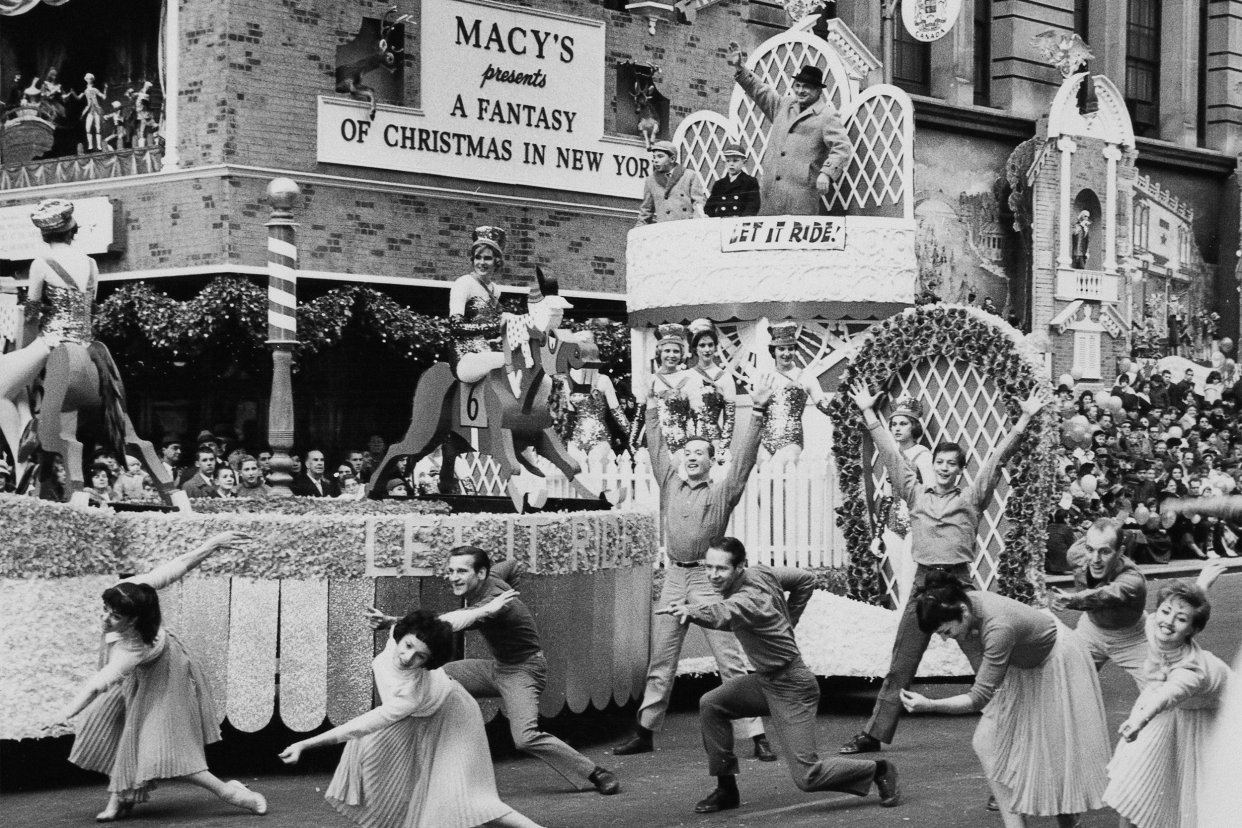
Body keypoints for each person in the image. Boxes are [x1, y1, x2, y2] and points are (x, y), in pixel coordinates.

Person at [841, 380, 1051, 755]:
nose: (945, 469)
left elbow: (997, 460)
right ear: (932, 465)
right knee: (901, 661)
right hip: (924, 583)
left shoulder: (972, 497)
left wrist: (1024, 421)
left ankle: (1012, 730)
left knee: (985, 660)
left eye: (953, 465)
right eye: (940, 463)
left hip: (959, 584)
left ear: (960, 470)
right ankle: (873, 734)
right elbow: (890, 454)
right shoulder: (915, 491)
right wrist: (870, 414)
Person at [659, 536, 900, 813]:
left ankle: (879, 770)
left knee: (808, 776)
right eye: (709, 567)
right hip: (766, 680)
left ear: (740, 567)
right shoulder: (761, 572)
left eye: (721, 569)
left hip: (792, 687)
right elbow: (804, 579)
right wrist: (789, 619)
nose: (713, 575)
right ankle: (726, 790)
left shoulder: (749, 598)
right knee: (711, 704)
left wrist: (690, 611)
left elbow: (724, 612)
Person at [48, 531, 266, 821]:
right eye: (105, 611)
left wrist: (65, 712)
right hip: (137, 676)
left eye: (114, 616)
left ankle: (234, 794)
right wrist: (212, 543)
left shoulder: (132, 649)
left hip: (167, 676)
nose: (105, 619)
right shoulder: (132, 591)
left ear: (134, 619)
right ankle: (120, 796)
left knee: (167, 751)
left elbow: (96, 685)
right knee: (112, 725)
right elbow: (181, 563)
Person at [367, 547, 620, 796]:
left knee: (525, 738)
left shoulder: (495, 606)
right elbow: (513, 564)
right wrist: (513, 590)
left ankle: (596, 772)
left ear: (480, 574)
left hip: (525, 671)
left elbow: (443, 624)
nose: (454, 577)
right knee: (437, 679)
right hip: (498, 668)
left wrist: (392, 621)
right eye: (451, 570)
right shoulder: (495, 579)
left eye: (462, 571)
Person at [615, 380, 776, 761]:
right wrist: (651, 406)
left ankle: (755, 735)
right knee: (662, 658)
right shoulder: (669, 481)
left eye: (699, 452)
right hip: (674, 578)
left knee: (729, 659)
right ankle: (645, 731)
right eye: (686, 451)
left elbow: (743, 464)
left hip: (708, 581)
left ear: (710, 460)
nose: (690, 456)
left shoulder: (721, 492)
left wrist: (757, 413)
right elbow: (656, 447)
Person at [279, 610, 546, 828]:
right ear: (401, 636)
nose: (408, 658)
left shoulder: (411, 694)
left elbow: (363, 724)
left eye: (421, 657)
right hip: (420, 717)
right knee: (364, 751)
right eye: (408, 646)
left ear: (429, 661)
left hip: (454, 716)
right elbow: (444, 621)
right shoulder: (396, 637)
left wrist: (305, 744)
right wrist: (389, 621)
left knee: (472, 801)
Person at [900, 571, 1111, 828]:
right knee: (986, 741)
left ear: (963, 613)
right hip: (1023, 663)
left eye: (945, 631)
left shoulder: (998, 627)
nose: (945, 638)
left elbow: (977, 698)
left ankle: (1067, 819)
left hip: (1058, 660)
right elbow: (984, 676)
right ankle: (1015, 825)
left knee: (1052, 747)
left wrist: (931, 705)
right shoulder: (965, 605)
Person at [1103, 577, 1231, 828]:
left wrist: (1140, 719)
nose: (1168, 622)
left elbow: (1167, 695)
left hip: (1215, 712)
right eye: (1165, 611)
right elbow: (1181, 609)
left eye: (1180, 620)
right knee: (1134, 774)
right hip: (1172, 707)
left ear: (1192, 631)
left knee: (1196, 790)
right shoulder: (1153, 623)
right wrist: (1202, 582)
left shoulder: (1193, 672)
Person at [726, 43, 849, 215]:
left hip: (801, 197)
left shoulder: (827, 116)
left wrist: (826, 173)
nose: (800, 90)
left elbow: (842, 147)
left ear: (818, 91)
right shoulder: (784, 106)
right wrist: (740, 68)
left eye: (806, 87)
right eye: (798, 85)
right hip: (770, 195)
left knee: (798, 241)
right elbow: (760, 91)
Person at [761, 322, 830, 468]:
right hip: (765, 440)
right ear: (774, 351)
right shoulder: (765, 376)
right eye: (781, 349)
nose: (786, 353)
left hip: (791, 440)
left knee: (780, 473)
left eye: (790, 349)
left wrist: (844, 405)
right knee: (762, 482)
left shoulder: (805, 376)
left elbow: (824, 405)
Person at [559, 329, 629, 468]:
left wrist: (633, 435)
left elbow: (617, 413)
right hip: (577, 438)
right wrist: (563, 440)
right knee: (576, 469)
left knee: (595, 461)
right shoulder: (568, 382)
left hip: (600, 438)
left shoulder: (603, 380)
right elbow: (571, 416)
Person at [449, 227, 506, 384]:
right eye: (477, 257)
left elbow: (488, 330)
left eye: (487, 258)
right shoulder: (464, 283)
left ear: (497, 261)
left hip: (484, 352)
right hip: (464, 357)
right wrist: (495, 325)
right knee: (510, 361)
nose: (481, 263)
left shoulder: (496, 290)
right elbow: (456, 326)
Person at [629, 323, 695, 455]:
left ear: (681, 354)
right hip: (656, 441)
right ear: (660, 353)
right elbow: (640, 415)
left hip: (683, 443)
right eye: (667, 351)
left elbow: (694, 416)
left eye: (676, 351)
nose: (671, 355)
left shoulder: (689, 379)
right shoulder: (651, 380)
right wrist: (632, 441)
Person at [686, 324, 736, 462]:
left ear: (715, 347)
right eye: (702, 345)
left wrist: (723, 448)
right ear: (695, 348)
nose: (707, 349)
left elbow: (729, 419)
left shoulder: (725, 377)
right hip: (689, 440)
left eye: (710, 345)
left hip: (714, 441)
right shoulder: (686, 376)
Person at [636, 140, 706, 226]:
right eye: (654, 157)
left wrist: (697, 223)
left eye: (660, 156)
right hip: (665, 228)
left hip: (687, 226)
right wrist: (638, 228)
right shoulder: (651, 181)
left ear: (672, 159)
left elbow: (698, 202)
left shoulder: (689, 175)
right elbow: (646, 210)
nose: (655, 160)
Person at [704, 143, 761, 218]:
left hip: (739, 222)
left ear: (744, 162)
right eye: (728, 161)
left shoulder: (750, 182)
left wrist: (744, 219)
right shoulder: (719, 184)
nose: (731, 164)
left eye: (735, 161)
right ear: (724, 163)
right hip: (722, 223)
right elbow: (709, 207)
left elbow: (753, 205)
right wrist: (714, 219)